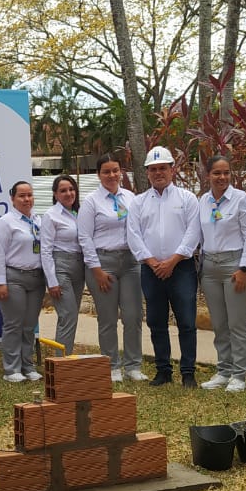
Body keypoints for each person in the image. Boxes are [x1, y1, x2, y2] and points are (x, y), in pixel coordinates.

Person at [127, 146, 201, 387]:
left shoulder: (187, 199)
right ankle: (163, 370)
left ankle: (188, 372)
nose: (158, 173)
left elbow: (193, 233)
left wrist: (173, 260)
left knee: (187, 322)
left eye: (163, 168)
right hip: (151, 270)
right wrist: (151, 261)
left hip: (181, 268)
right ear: (147, 172)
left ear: (173, 170)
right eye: (153, 169)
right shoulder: (138, 203)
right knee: (156, 322)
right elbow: (133, 235)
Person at [76, 155, 146, 382]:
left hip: (130, 263)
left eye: (115, 170)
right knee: (107, 318)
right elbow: (84, 237)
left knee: (133, 316)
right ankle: (112, 365)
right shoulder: (91, 202)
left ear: (121, 171)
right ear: (99, 175)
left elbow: (139, 230)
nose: (112, 175)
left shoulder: (131, 198)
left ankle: (133, 366)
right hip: (102, 263)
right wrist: (96, 269)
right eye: (106, 172)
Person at [195, 157, 246, 392]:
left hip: (235, 266)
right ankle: (224, 371)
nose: (222, 178)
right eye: (216, 173)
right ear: (207, 175)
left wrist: (244, 268)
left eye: (226, 173)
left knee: (237, 323)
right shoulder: (203, 200)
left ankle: (240, 375)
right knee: (219, 323)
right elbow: (199, 235)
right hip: (209, 267)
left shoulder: (240, 199)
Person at [0, 181, 45, 382]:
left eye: (30, 195)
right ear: (12, 198)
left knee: (30, 325)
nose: (27, 199)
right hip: (14, 278)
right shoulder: (6, 221)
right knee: (14, 324)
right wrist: (0, 282)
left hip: (36, 279)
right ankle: (11, 369)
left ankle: (28, 366)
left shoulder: (38, 220)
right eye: (22, 195)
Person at [39, 175, 84, 355]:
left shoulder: (80, 213)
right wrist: (52, 281)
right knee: (68, 315)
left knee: (71, 316)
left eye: (71, 189)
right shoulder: (51, 216)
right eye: (63, 191)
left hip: (79, 268)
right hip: (61, 267)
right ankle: (61, 362)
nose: (68, 193)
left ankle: (65, 356)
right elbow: (45, 250)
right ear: (55, 194)